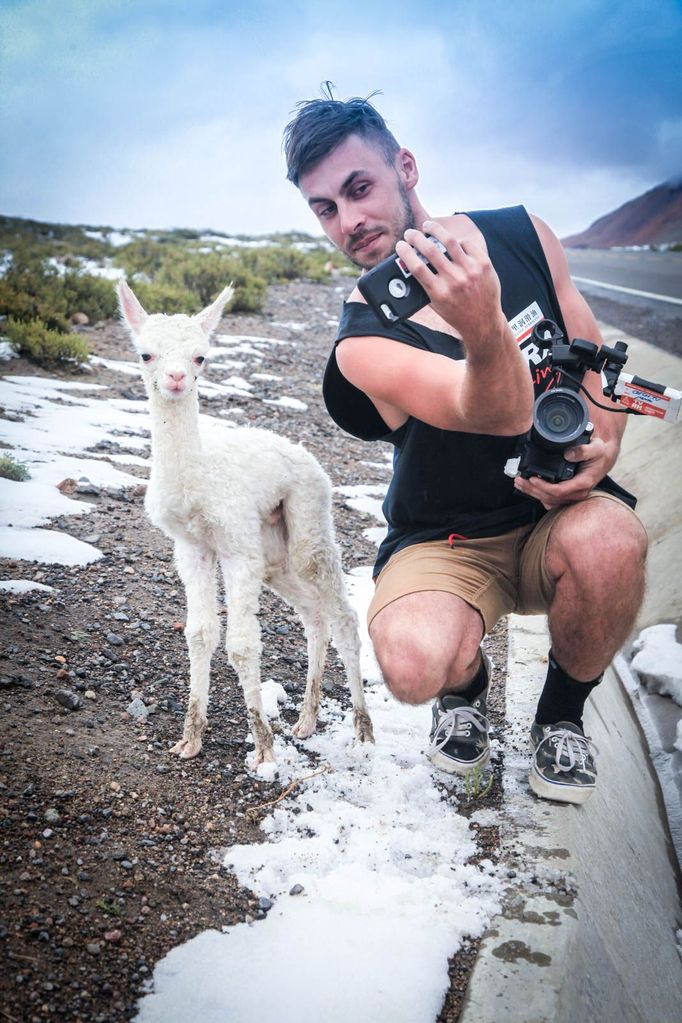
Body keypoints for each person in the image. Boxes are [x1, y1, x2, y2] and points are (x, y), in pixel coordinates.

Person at [282, 91, 648, 804]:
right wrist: (482, 326)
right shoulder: (361, 340)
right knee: (412, 664)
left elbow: (604, 365)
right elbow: (497, 411)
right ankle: (466, 691)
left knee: (615, 542)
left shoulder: (522, 234)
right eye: (325, 208)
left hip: (557, 516)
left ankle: (561, 716)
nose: (349, 220)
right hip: (445, 536)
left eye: (359, 189)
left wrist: (603, 444)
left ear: (406, 168)